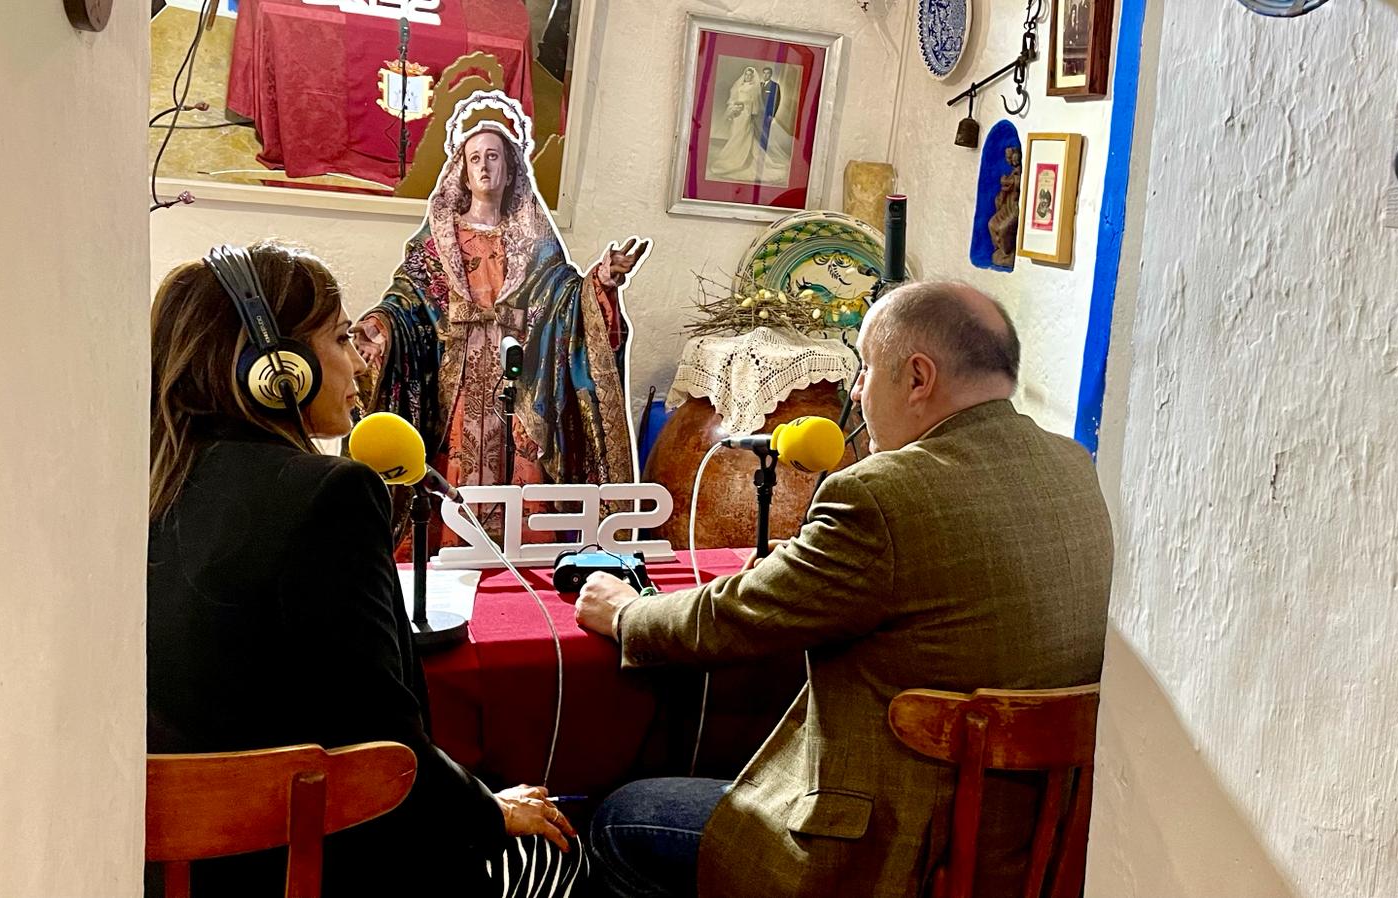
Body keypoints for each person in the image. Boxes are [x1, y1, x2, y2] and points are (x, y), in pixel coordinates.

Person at [575, 282, 1114, 898]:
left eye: (865, 370)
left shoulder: (882, 494)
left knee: (621, 814)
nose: (856, 393)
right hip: (1030, 856)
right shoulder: (1072, 466)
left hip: (896, 858)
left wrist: (626, 615)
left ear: (918, 378)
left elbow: (737, 616)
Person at [147, 241, 584, 896]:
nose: (358, 364)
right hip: (311, 862)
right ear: (278, 369)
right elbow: (386, 744)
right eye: (340, 337)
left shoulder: (147, 483)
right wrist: (489, 810)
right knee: (562, 850)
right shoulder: (330, 494)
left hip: (173, 868)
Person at [355, 90, 645, 547]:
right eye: (475, 158)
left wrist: (600, 283)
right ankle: (453, 562)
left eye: (494, 156)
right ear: (463, 171)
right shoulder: (438, 243)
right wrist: (381, 326)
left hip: (521, 382)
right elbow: (407, 301)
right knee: (454, 466)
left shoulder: (532, 241)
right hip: (459, 385)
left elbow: (564, 302)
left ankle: (516, 580)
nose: (485, 167)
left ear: (511, 169)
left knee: (522, 464)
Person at [757, 66, 781, 150]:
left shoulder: (775, 86)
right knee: (756, 131)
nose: (766, 75)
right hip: (757, 113)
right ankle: (754, 149)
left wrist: (772, 114)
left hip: (767, 113)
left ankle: (762, 150)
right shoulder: (759, 84)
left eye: (768, 73)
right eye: (764, 73)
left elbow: (777, 101)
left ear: (771, 75)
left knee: (765, 132)